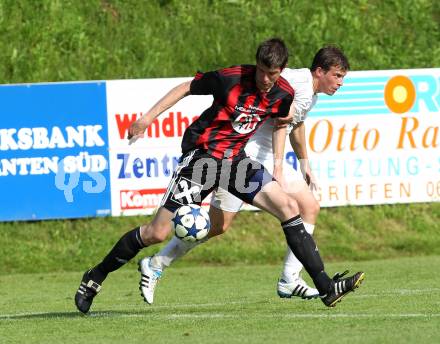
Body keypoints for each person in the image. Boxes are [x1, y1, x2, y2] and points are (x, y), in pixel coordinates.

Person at [75, 38, 364, 314]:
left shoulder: (283, 93)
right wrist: (147, 118)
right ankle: (95, 275)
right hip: (202, 159)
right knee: (157, 232)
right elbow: (187, 87)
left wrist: (280, 164)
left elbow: (283, 123)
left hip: (236, 162)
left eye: (272, 74)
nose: (265, 79)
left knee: (290, 207)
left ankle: (326, 288)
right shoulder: (231, 78)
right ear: (256, 65)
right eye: (262, 72)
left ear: (281, 71)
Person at [140, 46, 351, 303]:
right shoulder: (297, 83)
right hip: (243, 155)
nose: (340, 83)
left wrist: (304, 163)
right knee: (218, 225)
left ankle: (290, 278)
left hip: (261, 157)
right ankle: (156, 264)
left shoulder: (310, 93)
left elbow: (294, 123)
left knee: (308, 207)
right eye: (338, 76)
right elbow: (280, 120)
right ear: (320, 71)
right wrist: (279, 168)